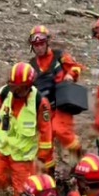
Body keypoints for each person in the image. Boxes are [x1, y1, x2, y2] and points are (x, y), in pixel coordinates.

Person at [0, 62, 55, 196]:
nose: (14, 89)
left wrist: (42, 159)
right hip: (2, 149)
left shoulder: (40, 103)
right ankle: (9, 187)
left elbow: (46, 133)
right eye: (12, 85)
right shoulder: (5, 93)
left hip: (23, 157)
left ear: (27, 87)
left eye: (17, 87)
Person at [28, 25, 85, 157]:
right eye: (36, 45)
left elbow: (76, 67)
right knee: (44, 141)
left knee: (60, 130)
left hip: (61, 104)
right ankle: (48, 167)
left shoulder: (59, 56)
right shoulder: (31, 65)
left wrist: (70, 75)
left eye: (41, 43)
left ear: (47, 42)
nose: (39, 47)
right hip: (44, 109)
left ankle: (79, 155)